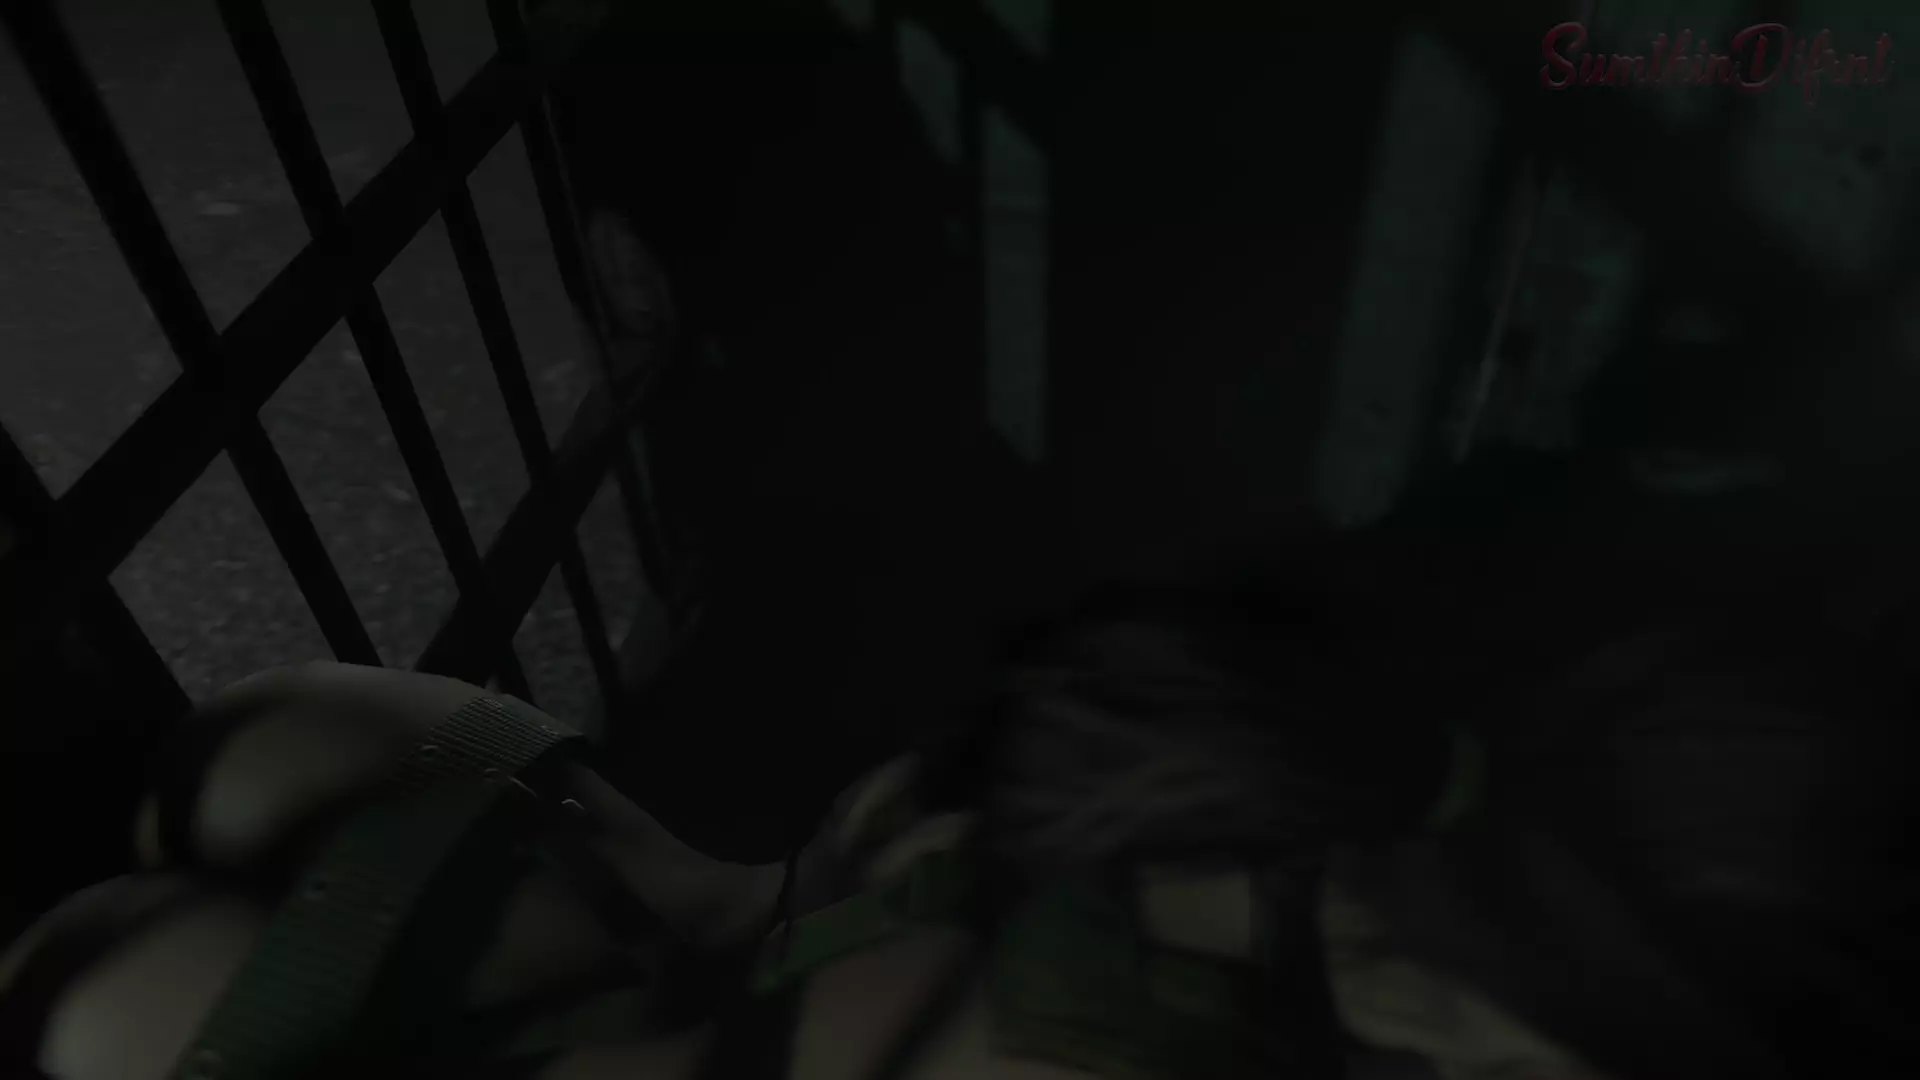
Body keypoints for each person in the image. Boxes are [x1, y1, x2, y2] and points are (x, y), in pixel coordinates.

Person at [6, 578, 1919, 1079]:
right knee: (91, 989)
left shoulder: (1320, 721)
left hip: (463, 795)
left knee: (200, 800)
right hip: (417, 963)